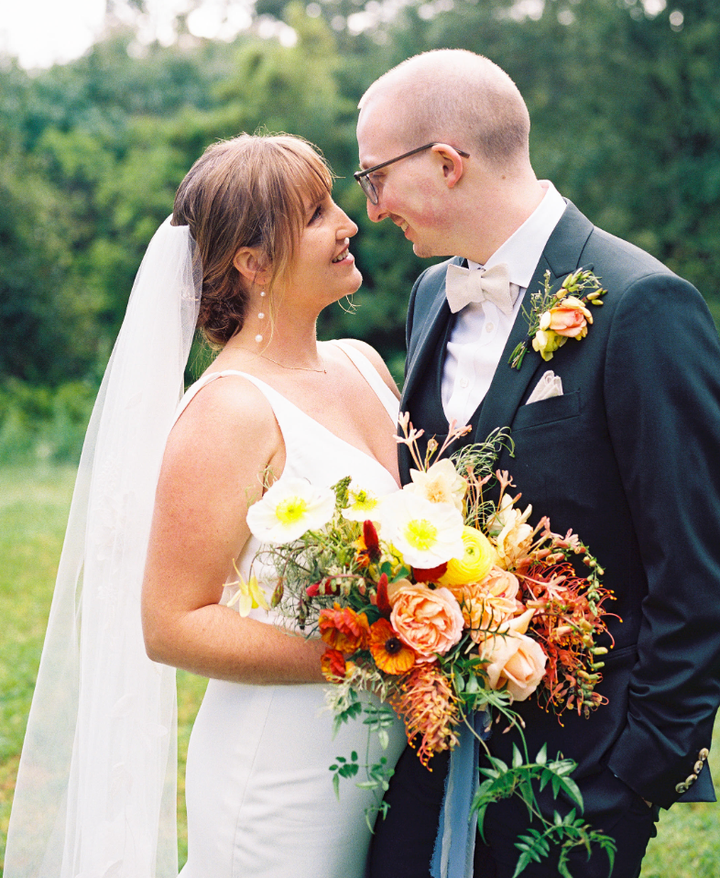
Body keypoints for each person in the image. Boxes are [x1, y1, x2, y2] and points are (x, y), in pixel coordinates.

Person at [354, 49, 720, 878]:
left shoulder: (641, 304)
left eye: (375, 178)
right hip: (433, 751)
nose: (371, 211)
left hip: (583, 783)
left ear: (446, 164)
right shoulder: (428, 298)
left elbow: (696, 569)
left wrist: (636, 775)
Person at [5, 133, 406, 878]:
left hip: (396, 750)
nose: (349, 224)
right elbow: (172, 624)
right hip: (285, 773)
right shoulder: (227, 413)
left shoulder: (365, 365)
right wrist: (370, 658)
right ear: (252, 264)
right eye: (317, 214)